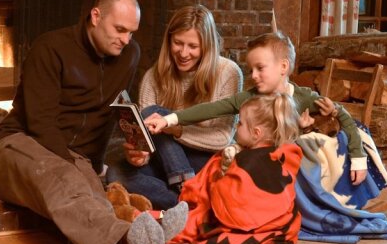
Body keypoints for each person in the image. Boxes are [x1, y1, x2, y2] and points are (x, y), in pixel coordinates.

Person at [0, 0, 187, 244]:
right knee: (67, 180)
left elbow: (110, 115)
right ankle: (133, 236)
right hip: (19, 144)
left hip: (74, 155)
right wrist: (79, 171)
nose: (126, 39)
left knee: (93, 200)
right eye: (119, 29)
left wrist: (119, 154)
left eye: (131, 33)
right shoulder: (50, 48)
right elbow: (40, 125)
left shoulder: (128, 54)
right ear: (96, 16)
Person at [145, 30, 369, 186]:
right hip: (256, 171)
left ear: (283, 66)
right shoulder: (250, 98)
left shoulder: (304, 98)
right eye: (251, 69)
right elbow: (213, 108)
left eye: (260, 68)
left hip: (290, 176)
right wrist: (170, 119)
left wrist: (358, 158)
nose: (253, 76)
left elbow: (344, 119)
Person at [107, 5, 243, 209]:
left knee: (157, 114)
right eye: (178, 43)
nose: (184, 53)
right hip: (166, 164)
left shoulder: (228, 72)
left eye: (193, 46)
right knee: (116, 173)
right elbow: (149, 143)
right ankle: (189, 202)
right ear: (169, 40)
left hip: (208, 162)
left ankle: (182, 188)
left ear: (207, 46)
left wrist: (174, 128)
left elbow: (222, 138)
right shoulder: (153, 77)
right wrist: (139, 156)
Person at [167, 93, 303, 244]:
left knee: (191, 221)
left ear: (256, 133)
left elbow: (233, 196)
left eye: (240, 123)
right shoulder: (253, 151)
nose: (236, 127)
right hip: (277, 221)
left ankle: (167, 221)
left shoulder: (253, 160)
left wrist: (219, 178)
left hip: (246, 217)